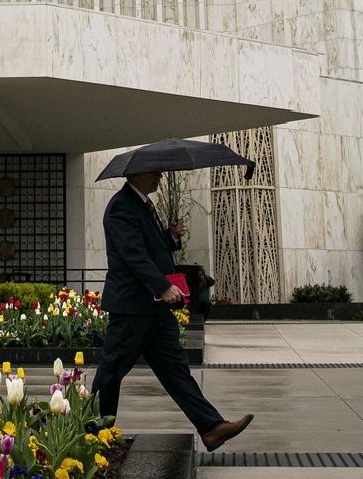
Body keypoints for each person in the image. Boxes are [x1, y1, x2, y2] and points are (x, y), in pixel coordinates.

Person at [90, 170, 252, 450]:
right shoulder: (121, 206)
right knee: (111, 372)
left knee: (176, 371)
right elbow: (133, 255)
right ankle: (91, 433)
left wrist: (171, 236)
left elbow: (150, 247)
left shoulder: (142, 205)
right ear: (135, 174)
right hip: (133, 309)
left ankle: (211, 427)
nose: (160, 177)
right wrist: (162, 286)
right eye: (154, 172)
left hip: (153, 311)